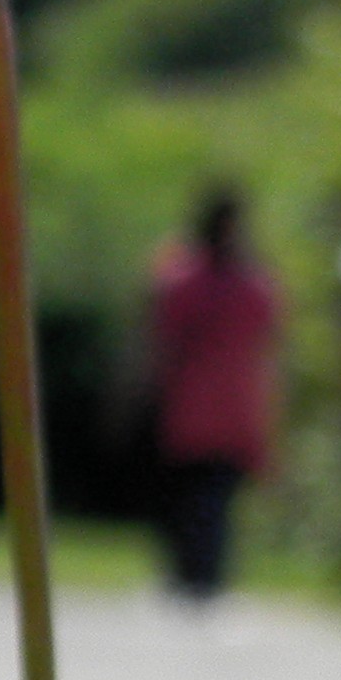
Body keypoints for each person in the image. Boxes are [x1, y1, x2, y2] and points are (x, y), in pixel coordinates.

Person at [144, 188, 278, 595]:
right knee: (211, 499)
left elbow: (155, 344)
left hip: (194, 407)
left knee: (193, 497)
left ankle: (196, 575)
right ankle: (203, 574)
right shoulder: (255, 284)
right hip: (230, 409)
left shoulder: (181, 278)